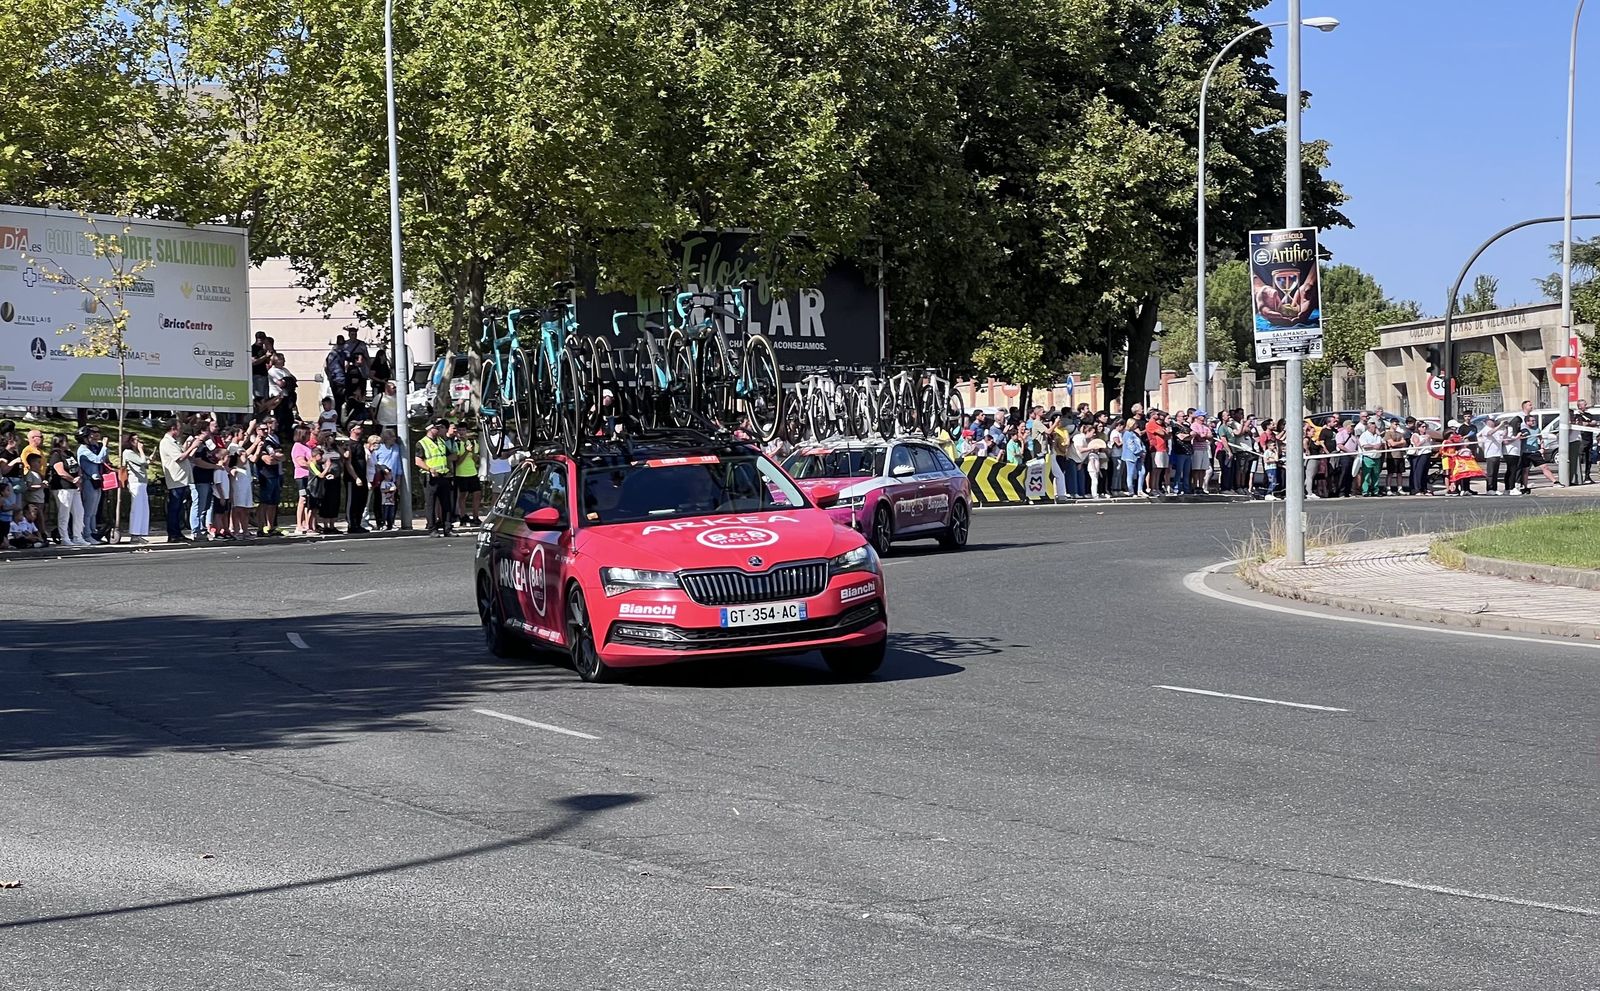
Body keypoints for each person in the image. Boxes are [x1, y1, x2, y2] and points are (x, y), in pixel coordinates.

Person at [415, 418, 454, 536]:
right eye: (436, 428)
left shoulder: (441, 441)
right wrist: (430, 469)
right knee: (431, 504)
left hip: (443, 475)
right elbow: (418, 461)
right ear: (430, 429)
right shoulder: (422, 443)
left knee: (446, 503)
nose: (438, 430)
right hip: (430, 477)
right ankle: (432, 528)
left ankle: (447, 528)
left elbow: (448, 456)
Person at [48, 435, 87, 545]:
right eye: (65, 441)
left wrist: (79, 477)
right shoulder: (56, 455)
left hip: (74, 487)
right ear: (59, 442)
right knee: (64, 513)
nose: (67, 443)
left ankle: (78, 536)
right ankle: (64, 537)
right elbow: (60, 471)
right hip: (63, 487)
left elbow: (77, 467)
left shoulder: (69, 454)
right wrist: (72, 479)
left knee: (79, 512)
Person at [158, 419, 191, 541]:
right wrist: (193, 446)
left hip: (181, 479)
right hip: (176, 479)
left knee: (179, 508)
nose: (181, 430)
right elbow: (179, 458)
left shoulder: (174, 442)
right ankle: (173, 533)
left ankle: (178, 532)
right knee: (174, 507)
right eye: (179, 428)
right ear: (173, 428)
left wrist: (188, 446)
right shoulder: (167, 442)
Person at [76, 427, 111, 543]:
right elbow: (97, 459)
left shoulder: (91, 448)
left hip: (96, 481)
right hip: (88, 481)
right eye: (90, 436)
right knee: (88, 511)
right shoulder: (83, 450)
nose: (92, 438)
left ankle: (93, 532)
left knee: (94, 511)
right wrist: (104, 446)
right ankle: (87, 534)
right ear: (85, 438)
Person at [252, 421, 285, 535]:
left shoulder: (271, 441)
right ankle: (260, 528)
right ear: (257, 430)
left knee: (273, 503)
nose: (265, 431)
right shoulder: (259, 443)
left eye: (266, 429)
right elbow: (269, 460)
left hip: (276, 474)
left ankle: (271, 527)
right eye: (262, 429)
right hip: (265, 476)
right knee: (264, 503)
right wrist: (276, 458)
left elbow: (283, 456)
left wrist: (276, 457)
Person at [121, 433, 150, 541]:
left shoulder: (135, 453)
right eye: (135, 440)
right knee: (137, 508)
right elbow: (142, 461)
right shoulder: (128, 452)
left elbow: (145, 463)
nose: (138, 442)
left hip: (142, 482)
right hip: (135, 482)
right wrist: (142, 451)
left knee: (144, 509)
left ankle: (141, 533)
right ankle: (134, 533)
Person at [344, 422, 370, 534]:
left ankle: (358, 524)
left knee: (361, 500)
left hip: (362, 476)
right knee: (352, 501)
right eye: (358, 428)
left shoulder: (360, 444)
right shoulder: (349, 445)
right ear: (352, 430)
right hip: (352, 478)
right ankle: (351, 525)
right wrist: (356, 477)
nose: (361, 429)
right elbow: (348, 463)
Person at [453, 426, 482, 525]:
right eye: (460, 430)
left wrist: (473, 452)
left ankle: (475, 516)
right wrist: (466, 451)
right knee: (463, 496)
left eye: (463, 430)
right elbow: (458, 461)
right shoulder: (456, 443)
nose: (462, 432)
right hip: (461, 474)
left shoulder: (473, 443)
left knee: (477, 494)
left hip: (472, 472)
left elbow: (475, 459)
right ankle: (462, 516)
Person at [315, 430, 342, 534]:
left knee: (335, 501)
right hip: (326, 477)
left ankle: (332, 525)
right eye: (330, 437)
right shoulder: (320, 449)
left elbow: (344, 456)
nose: (333, 438)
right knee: (326, 501)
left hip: (336, 477)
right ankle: (326, 525)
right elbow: (316, 461)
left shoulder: (335, 448)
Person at [291, 424, 315, 535]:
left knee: (309, 501)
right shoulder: (297, 446)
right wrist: (311, 465)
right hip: (302, 476)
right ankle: (299, 525)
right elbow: (301, 462)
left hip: (309, 476)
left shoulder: (307, 446)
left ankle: (307, 524)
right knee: (303, 498)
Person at [1119, 417, 1145, 496]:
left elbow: (1139, 442)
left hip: (1139, 455)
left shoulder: (1134, 433)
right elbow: (1131, 445)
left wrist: (1143, 451)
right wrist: (1138, 452)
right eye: (1135, 424)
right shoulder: (1127, 434)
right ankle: (1131, 490)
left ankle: (1140, 490)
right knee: (1130, 473)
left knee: (1142, 472)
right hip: (1130, 456)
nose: (1136, 425)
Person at [1357, 422, 1384, 497]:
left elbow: (1382, 443)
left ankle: (1375, 490)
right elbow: (1364, 445)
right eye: (1374, 427)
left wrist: (1380, 443)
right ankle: (1365, 491)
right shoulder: (1364, 435)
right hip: (1368, 458)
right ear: (1369, 428)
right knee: (1366, 475)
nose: (1376, 429)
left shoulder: (1377, 436)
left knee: (1376, 475)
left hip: (1377, 458)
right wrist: (1374, 446)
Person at [376, 465, 398, 530]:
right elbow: (382, 490)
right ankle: (383, 524)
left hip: (391, 502)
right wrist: (389, 490)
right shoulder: (383, 483)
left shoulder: (392, 483)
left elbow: (395, 489)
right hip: (385, 502)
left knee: (391, 514)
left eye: (390, 474)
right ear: (385, 476)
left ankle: (390, 525)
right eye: (388, 475)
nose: (390, 476)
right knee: (384, 514)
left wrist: (394, 490)